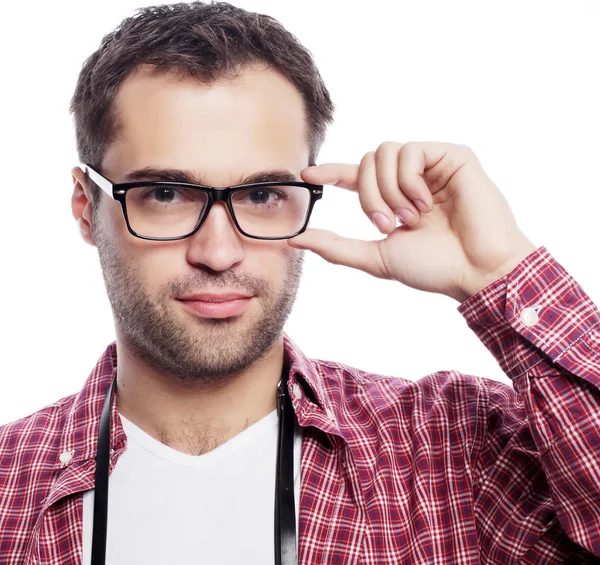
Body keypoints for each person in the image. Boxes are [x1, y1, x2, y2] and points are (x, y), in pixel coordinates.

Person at [1, 1, 598, 564]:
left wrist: (500, 274)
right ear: (86, 208)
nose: (218, 251)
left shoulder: (450, 451)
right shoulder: (9, 484)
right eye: (165, 194)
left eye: (261, 196)